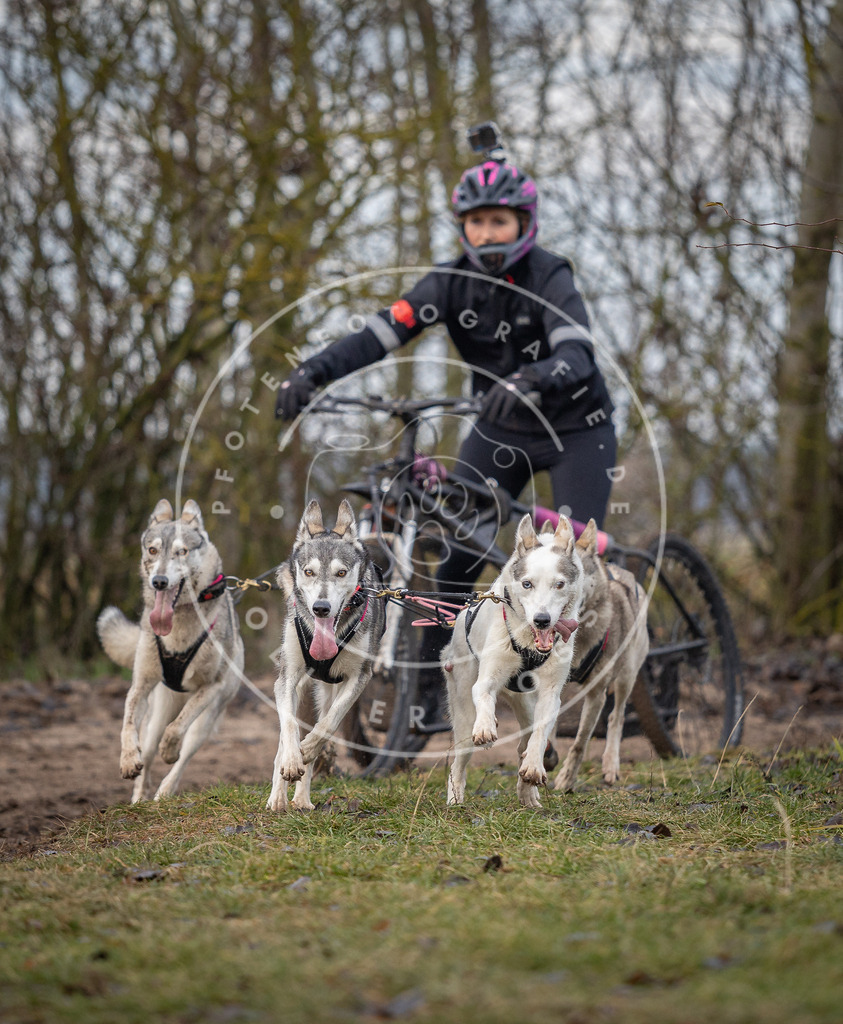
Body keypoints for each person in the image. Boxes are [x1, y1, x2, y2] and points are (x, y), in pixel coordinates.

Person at [275, 156, 617, 693]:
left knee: (577, 559)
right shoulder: (448, 283)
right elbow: (379, 335)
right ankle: (436, 688)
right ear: (462, 226)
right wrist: (311, 373)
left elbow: (577, 350)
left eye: (499, 221)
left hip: (575, 428)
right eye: (476, 222)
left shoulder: (550, 275)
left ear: (524, 223)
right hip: (499, 427)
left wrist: (533, 377)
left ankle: (589, 669)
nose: (486, 233)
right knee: (457, 553)